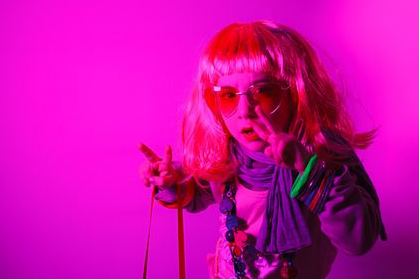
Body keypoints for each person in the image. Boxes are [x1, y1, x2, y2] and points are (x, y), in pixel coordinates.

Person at [138, 21, 386, 279]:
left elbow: (358, 240)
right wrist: (171, 182)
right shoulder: (228, 153)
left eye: (263, 91)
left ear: (295, 92)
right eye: (228, 95)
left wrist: (308, 169)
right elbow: (198, 194)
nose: (245, 111)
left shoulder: (320, 154)